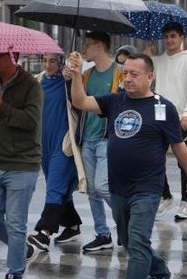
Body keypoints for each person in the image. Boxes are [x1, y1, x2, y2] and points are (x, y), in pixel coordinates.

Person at [67, 52, 187, 279]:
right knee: (129, 241)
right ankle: (159, 269)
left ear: (150, 76)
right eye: (125, 73)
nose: (127, 78)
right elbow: (80, 102)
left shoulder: (163, 107)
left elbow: (179, 147)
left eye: (134, 74)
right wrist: (76, 74)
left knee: (138, 241)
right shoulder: (115, 101)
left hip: (147, 189)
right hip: (119, 187)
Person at [0, 51, 43, 279]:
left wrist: (1, 104)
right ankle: (23, 250)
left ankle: (15, 271)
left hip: (21, 164)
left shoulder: (30, 84)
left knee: (16, 223)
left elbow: (31, 121)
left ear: (13, 55)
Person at [28, 54, 82, 252]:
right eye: (44, 60)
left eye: (52, 61)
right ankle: (72, 225)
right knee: (59, 186)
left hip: (64, 141)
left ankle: (44, 233)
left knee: (55, 185)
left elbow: (79, 102)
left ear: (60, 62)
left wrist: (72, 79)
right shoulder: (38, 81)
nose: (47, 65)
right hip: (44, 143)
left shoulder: (69, 80)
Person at [77, 31, 123, 253]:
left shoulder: (119, 73)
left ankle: (127, 222)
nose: (86, 49)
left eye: (88, 45)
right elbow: (77, 102)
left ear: (100, 46)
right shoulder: (86, 75)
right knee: (92, 191)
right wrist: (73, 76)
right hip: (88, 137)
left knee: (102, 185)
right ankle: (102, 234)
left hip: (108, 138)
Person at [153, 22, 187, 221]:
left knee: (184, 161)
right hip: (160, 115)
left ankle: (185, 201)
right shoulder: (157, 61)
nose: (169, 40)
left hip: (183, 118)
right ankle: (165, 196)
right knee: (154, 158)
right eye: (166, 36)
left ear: (181, 38)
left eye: (173, 36)